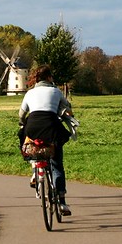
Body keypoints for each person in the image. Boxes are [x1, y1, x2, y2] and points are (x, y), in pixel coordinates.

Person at [18, 65, 74, 216]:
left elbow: (21, 114)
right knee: (57, 165)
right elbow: (67, 107)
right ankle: (62, 202)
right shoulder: (55, 91)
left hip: (33, 126)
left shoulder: (30, 93)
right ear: (49, 77)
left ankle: (34, 166)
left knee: (24, 137)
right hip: (51, 127)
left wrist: (22, 122)